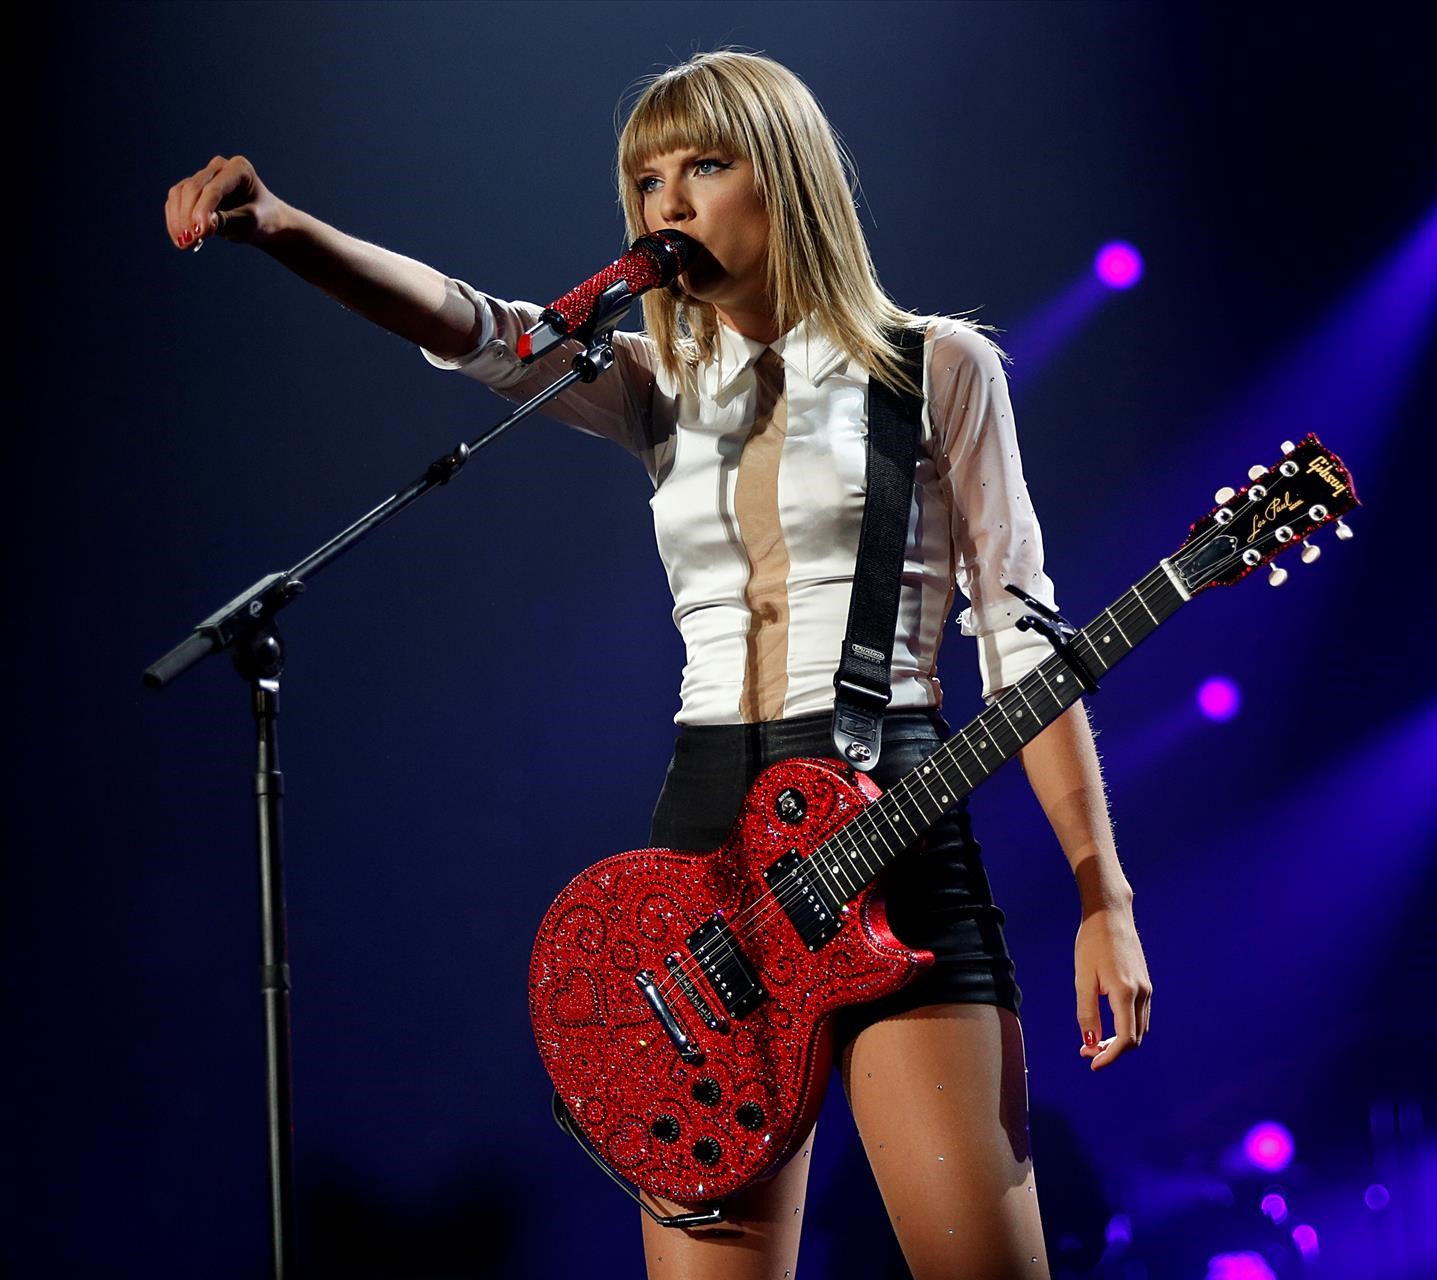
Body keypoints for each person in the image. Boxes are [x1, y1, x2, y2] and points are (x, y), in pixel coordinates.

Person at [164, 49, 1151, 1280]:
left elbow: (1021, 643)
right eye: (645, 181)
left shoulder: (937, 366)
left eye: (704, 167)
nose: (667, 203)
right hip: (705, 851)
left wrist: (1103, 896)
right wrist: (286, 230)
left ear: (785, 180)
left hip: (894, 824)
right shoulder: (653, 381)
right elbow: (467, 323)